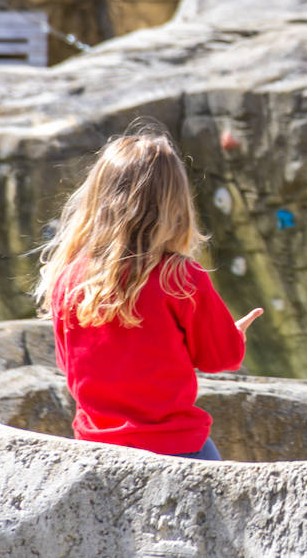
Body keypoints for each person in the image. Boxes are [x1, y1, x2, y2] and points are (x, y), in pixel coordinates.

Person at [33, 130, 263, 460]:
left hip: (95, 445)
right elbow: (221, 358)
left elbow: (67, 364)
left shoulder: (67, 276)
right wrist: (235, 336)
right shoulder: (179, 276)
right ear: (176, 203)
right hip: (176, 446)